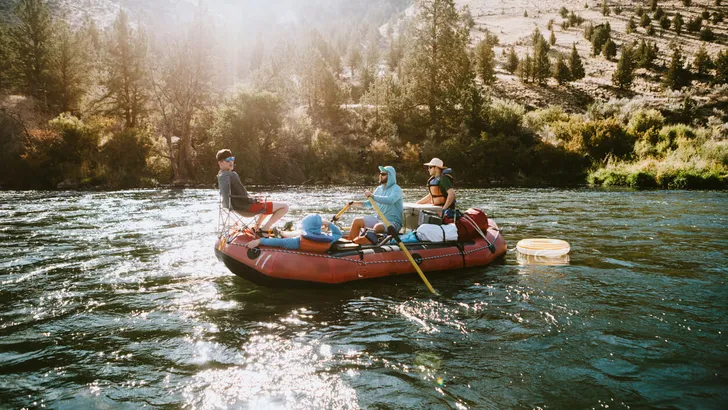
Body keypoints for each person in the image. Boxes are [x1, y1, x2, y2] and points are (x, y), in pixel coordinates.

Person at [216, 149, 288, 235]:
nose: (231, 161)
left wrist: (255, 199)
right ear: (220, 163)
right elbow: (243, 194)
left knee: (265, 202)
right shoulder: (232, 175)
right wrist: (254, 200)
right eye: (227, 160)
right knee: (284, 207)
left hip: (235, 207)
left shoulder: (220, 175)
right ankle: (264, 229)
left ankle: (256, 227)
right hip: (246, 208)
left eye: (232, 158)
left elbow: (237, 195)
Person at [346, 165, 403, 244]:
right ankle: (350, 243)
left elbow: (390, 200)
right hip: (379, 219)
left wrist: (372, 196)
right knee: (357, 221)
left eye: (383, 174)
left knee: (378, 226)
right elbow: (370, 203)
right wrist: (355, 203)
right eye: (380, 173)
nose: (380, 176)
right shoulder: (379, 189)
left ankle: (364, 241)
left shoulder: (396, 189)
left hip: (393, 223)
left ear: (390, 176)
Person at [245, 214, 342, 252]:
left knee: (284, 238)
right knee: (297, 233)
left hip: (296, 244)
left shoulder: (297, 241)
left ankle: (282, 233)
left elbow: (278, 242)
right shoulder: (328, 240)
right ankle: (282, 232)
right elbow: (338, 234)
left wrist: (259, 241)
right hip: (318, 249)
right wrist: (329, 224)